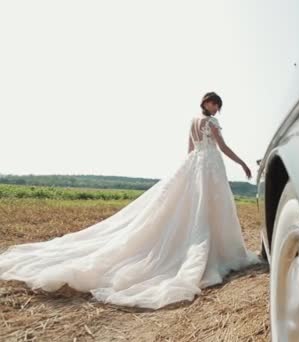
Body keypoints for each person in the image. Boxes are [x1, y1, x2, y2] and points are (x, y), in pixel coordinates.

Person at [0, 92, 259, 309]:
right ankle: (209, 245)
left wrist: (186, 169)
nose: (215, 107)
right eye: (214, 103)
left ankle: (208, 239)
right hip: (210, 164)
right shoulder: (210, 123)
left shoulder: (191, 121)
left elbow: (189, 149)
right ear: (207, 103)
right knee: (207, 205)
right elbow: (222, 147)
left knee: (198, 205)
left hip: (196, 165)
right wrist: (243, 163)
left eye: (217, 105)